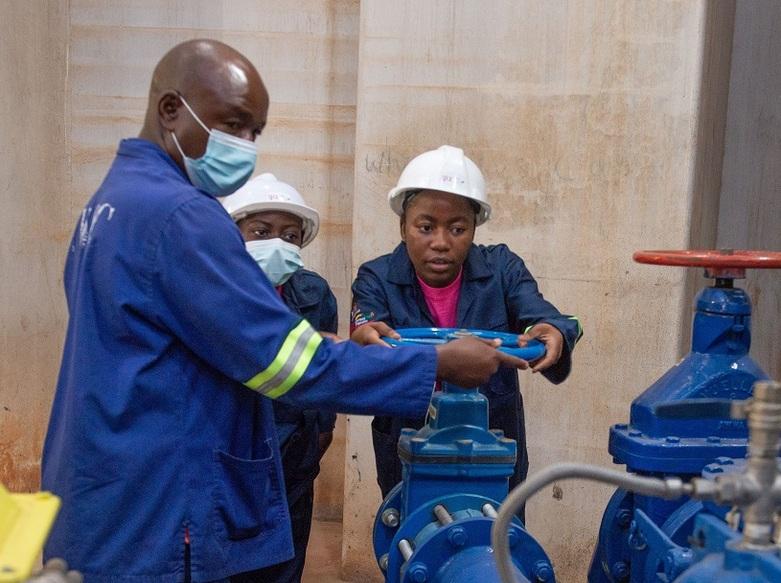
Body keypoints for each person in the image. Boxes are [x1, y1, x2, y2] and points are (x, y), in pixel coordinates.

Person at [40, 41, 525, 583]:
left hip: (105, 487)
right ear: (171, 110)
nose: (244, 146)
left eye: (255, 132)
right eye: (233, 124)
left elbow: (189, 341)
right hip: (158, 505)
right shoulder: (181, 218)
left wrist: (338, 346)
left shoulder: (109, 205)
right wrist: (435, 364)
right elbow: (288, 367)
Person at [351, 145, 583, 512]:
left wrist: (552, 330)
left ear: (475, 228)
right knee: (410, 547)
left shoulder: (502, 269)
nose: (441, 242)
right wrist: (365, 341)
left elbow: (542, 315)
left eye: (457, 228)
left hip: (492, 449)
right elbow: (366, 331)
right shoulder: (375, 278)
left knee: (499, 546)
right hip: (408, 446)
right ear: (402, 226)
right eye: (425, 227)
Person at [221, 173, 337, 582]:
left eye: (290, 235)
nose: (278, 243)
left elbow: (327, 378)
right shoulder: (213, 293)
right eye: (261, 231)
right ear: (234, 234)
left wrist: (319, 435)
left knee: (285, 559)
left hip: (295, 453)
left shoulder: (314, 293)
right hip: (230, 455)